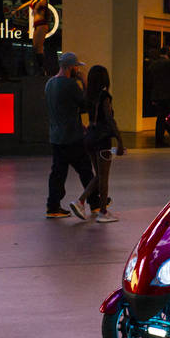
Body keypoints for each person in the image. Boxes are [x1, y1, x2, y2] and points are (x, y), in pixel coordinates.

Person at [45, 52, 100, 218]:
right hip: (72, 136)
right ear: (70, 67)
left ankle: (53, 206)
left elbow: (64, 108)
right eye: (76, 66)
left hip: (56, 135)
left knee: (58, 173)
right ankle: (95, 204)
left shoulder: (50, 83)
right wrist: (84, 83)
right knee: (85, 170)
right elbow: (85, 105)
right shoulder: (69, 84)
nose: (78, 69)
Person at [72, 65, 125, 223]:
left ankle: (80, 202)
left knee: (99, 175)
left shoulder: (88, 95)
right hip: (102, 140)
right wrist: (120, 140)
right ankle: (102, 211)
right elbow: (109, 119)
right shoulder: (104, 97)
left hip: (90, 138)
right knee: (104, 177)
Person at [146, 46, 170, 146]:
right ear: (169, 53)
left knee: (163, 117)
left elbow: (150, 81)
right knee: (164, 117)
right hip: (168, 94)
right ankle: (161, 141)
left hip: (157, 95)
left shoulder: (154, 64)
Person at [15, 0, 52, 74]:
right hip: (36, 25)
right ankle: (40, 68)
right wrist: (16, 10)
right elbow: (25, 4)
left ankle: (43, 69)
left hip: (42, 24)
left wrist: (35, 9)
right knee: (35, 47)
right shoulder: (33, 0)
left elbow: (40, 5)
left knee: (39, 47)